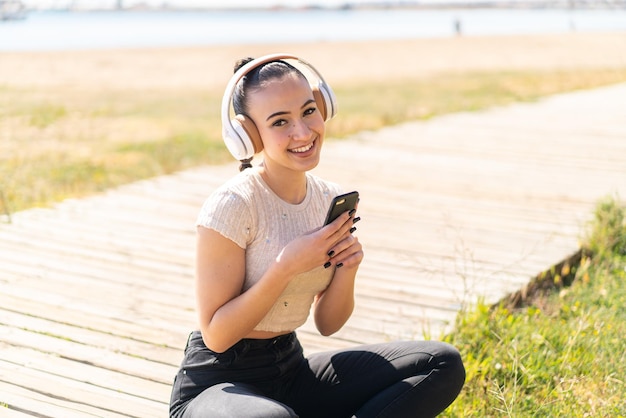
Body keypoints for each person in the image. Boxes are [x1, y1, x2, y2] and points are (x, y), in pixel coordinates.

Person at [169, 53, 465, 418]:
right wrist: (285, 267)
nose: (303, 132)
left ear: (323, 106)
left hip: (290, 371)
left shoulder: (328, 199)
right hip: (218, 383)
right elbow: (216, 335)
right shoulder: (232, 205)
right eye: (280, 122)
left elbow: (328, 324)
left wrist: (347, 270)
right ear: (248, 135)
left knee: (441, 363)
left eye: (309, 111)